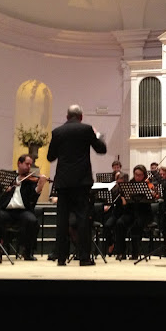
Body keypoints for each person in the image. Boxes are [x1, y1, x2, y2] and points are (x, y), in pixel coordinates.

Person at [48, 104, 107, 266]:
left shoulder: (57, 132)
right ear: (81, 117)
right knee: (82, 219)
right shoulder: (86, 129)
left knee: (62, 220)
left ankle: (61, 258)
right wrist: (97, 135)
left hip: (63, 182)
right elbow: (101, 149)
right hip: (82, 182)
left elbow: (50, 157)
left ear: (67, 117)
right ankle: (84, 257)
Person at [0, 153, 48, 261]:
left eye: (30, 165)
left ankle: (27, 252)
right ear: (19, 163)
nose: (29, 167)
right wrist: (5, 189)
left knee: (32, 221)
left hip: (23, 211)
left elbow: (32, 200)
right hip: (6, 210)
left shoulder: (30, 181)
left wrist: (40, 187)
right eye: (27, 164)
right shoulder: (8, 177)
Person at [114, 164, 157, 260]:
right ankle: (121, 252)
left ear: (144, 175)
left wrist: (152, 193)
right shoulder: (130, 184)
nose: (138, 177)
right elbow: (124, 198)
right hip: (131, 212)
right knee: (120, 223)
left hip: (144, 213)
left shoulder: (148, 184)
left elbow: (154, 197)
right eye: (136, 174)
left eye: (140, 175)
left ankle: (135, 253)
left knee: (136, 226)